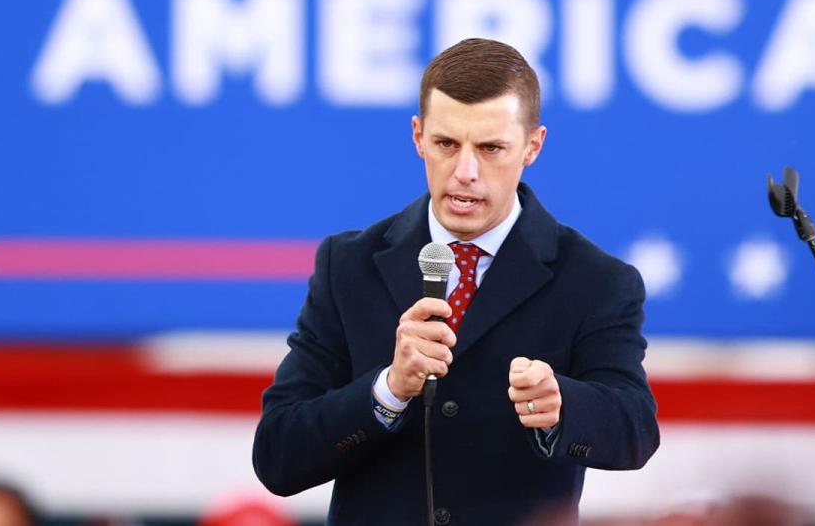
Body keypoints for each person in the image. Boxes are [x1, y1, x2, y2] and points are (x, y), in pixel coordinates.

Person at [253, 38, 659, 525]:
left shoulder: (597, 281)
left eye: (491, 148)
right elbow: (278, 455)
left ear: (533, 146)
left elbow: (635, 428)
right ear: (418, 136)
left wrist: (562, 404)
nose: (465, 172)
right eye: (447, 144)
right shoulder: (349, 264)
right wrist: (387, 391)